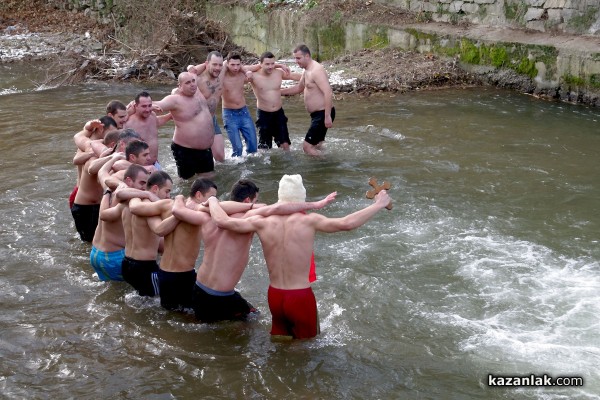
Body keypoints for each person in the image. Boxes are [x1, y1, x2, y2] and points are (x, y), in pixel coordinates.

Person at [208, 174, 391, 340]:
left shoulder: (260, 221)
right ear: (301, 198)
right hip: (299, 297)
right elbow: (347, 223)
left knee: (279, 343)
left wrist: (212, 200)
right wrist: (378, 204)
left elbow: (223, 221)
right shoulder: (309, 221)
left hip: (275, 296)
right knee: (305, 349)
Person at [171, 179, 337, 322]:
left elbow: (187, 209)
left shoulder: (205, 214)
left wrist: (185, 198)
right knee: (252, 323)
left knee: (207, 330)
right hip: (221, 297)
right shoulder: (249, 218)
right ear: (249, 200)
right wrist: (315, 204)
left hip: (199, 289)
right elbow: (278, 208)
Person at [89, 160, 149, 281]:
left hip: (95, 254)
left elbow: (102, 172)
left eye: (146, 184)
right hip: (114, 258)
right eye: (142, 183)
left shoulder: (109, 188)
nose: (144, 187)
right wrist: (149, 195)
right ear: (128, 181)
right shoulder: (130, 199)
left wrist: (113, 157)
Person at [120, 170, 177, 296]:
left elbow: (119, 193)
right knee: (160, 308)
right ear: (155, 189)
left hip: (126, 263)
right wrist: (179, 215)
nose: (168, 196)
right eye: (167, 191)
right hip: (144, 268)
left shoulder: (131, 200)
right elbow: (159, 230)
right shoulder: (149, 208)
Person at [153, 72, 216, 180]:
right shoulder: (175, 100)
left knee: (209, 178)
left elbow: (196, 69)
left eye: (193, 81)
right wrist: (134, 106)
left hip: (205, 149)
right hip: (185, 150)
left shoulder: (197, 91)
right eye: (187, 83)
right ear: (180, 86)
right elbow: (157, 104)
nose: (192, 84)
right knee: (186, 183)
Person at [281, 44, 335, 156]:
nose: (296, 61)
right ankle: (322, 164)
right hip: (317, 115)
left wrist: (327, 116)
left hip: (322, 113)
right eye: (295, 58)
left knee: (307, 147)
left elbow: (328, 92)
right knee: (317, 145)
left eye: (298, 58)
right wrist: (278, 92)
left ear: (307, 56)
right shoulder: (307, 70)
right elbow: (299, 88)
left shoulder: (316, 70)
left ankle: (329, 166)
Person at [70, 130, 120, 242]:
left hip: (96, 206)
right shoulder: (93, 155)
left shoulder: (101, 153)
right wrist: (110, 157)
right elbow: (92, 170)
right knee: (89, 242)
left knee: (96, 241)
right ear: (113, 145)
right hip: (84, 207)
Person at [248, 51, 299, 151]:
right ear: (260, 64)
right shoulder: (253, 76)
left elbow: (294, 76)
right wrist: (249, 71)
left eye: (272, 63)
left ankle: (286, 165)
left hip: (279, 113)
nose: (271, 67)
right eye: (267, 64)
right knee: (265, 149)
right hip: (263, 115)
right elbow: (236, 70)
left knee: (285, 145)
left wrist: (311, 76)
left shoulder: (278, 73)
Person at [188, 51, 227, 162]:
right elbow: (188, 73)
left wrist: (278, 65)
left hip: (212, 119)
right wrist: (191, 67)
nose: (218, 68)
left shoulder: (223, 71)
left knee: (220, 157)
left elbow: (232, 62)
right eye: (214, 64)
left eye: (220, 65)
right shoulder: (197, 79)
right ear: (207, 63)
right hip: (197, 122)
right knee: (197, 158)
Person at [220, 52, 258, 158]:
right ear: (227, 63)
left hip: (244, 112)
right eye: (232, 65)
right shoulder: (221, 74)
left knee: (253, 147)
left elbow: (261, 65)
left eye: (238, 65)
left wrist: (280, 65)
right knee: (238, 150)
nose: (236, 68)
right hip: (229, 114)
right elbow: (200, 68)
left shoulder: (242, 72)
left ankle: (252, 169)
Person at [124, 91, 173, 169]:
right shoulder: (128, 123)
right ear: (135, 106)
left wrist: (169, 116)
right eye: (144, 106)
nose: (147, 109)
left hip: (155, 164)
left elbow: (157, 122)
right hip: (139, 168)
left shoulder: (152, 115)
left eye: (149, 106)